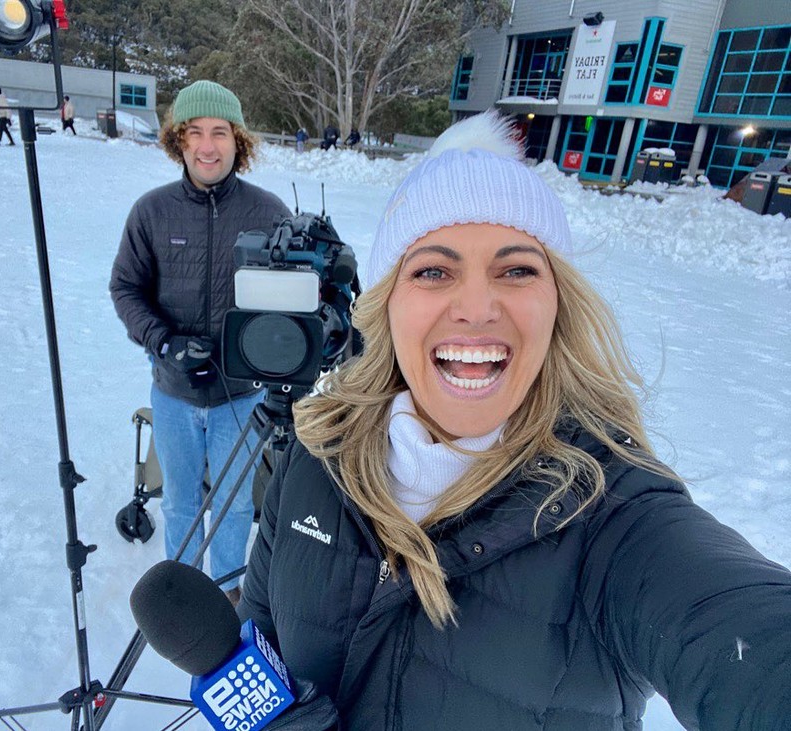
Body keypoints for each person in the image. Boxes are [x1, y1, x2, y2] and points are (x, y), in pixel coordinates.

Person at [238, 111, 791, 729]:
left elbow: (743, 634)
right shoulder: (316, 456)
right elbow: (259, 647)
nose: (476, 308)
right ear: (388, 306)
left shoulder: (614, 514)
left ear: (558, 305)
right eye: (433, 271)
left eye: (517, 270)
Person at [110, 80, 290, 606]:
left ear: (238, 140)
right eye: (194, 133)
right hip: (174, 393)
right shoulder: (152, 211)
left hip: (241, 395)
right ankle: (183, 591)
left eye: (219, 132)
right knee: (180, 502)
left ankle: (228, 588)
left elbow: (297, 294)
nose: (207, 146)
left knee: (235, 503)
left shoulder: (268, 212)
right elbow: (125, 287)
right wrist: (163, 343)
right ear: (178, 141)